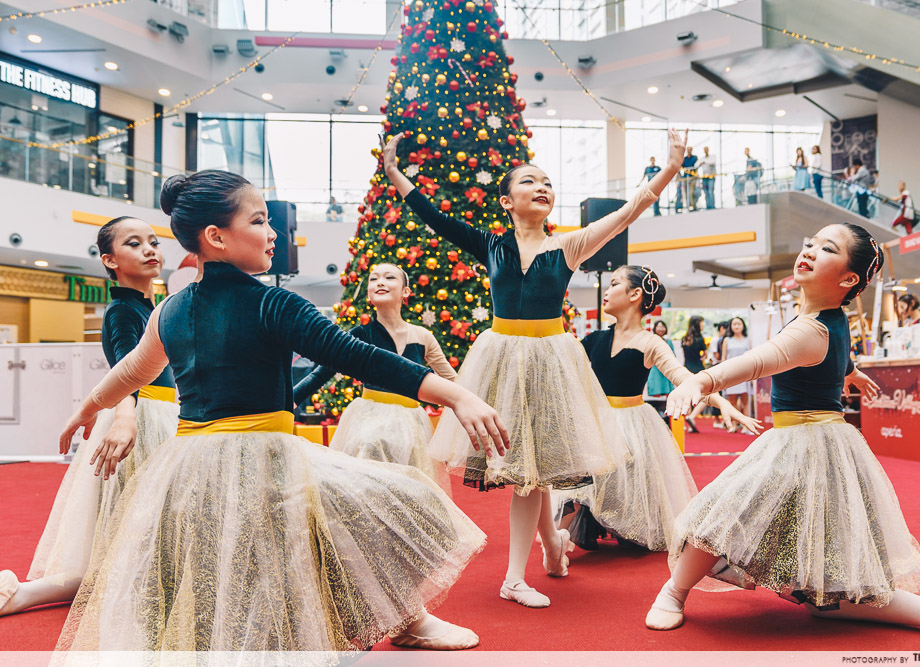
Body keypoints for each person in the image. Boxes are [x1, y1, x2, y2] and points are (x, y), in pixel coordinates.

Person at [54, 170, 511, 652]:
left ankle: (398, 620)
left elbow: (130, 371)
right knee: (401, 508)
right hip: (261, 458)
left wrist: (87, 407)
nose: (273, 233)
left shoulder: (170, 310)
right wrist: (456, 395)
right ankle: (390, 621)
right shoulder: (273, 303)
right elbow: (357, 356)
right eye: (259, 221)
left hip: (187, 467)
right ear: (216, 237)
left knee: (218, 575)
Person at [646, 222, 920, 650]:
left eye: (827, 248)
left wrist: (700, 382)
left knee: (717, 520)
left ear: (848, 279)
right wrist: (850, 372)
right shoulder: (828, 318)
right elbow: (833, 350)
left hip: (798, 446)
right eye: (810, 243)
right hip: (830, 446)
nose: (810, 250)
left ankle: (674, 592)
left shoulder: (809, 329)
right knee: (825, 589)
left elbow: (759, 361)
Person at [384, 128, 688, 609]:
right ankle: (548, 550)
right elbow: (432, 216)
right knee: (530, 472)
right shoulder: (491, 245)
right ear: (507, 201)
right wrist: (394, 173)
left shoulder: (568, 246)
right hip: (503, 359)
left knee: (534, 471)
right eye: (529, 181)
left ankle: (524, 569)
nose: (542, 187)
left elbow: (627, 213)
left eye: (547, 182)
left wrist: (669, 169)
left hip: (551, 362)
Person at [0, 217, 179, 616]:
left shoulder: (148, 307)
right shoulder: (123, 311)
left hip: (158, 412)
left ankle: (22, 595)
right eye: (134, 243)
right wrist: (126, 417)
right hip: (142, 415)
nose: (149, 249)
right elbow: (125, 368)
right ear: (109, 260)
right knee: (136, 518)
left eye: (153, 241)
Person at [554, 266, 759, 552]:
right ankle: (554, 543)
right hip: (598, 422)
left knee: (625, 485)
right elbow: (561, 366)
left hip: (633, 425)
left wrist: (721, 401)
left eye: (614, 284)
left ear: (635, 294)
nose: (607, 291)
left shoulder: (651, 343)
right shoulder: (594, 339)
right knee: (578, 485)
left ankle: (581, 536)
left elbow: (684, 378)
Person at [293, 263, 455, 493]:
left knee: (415, 491)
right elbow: (322, 372)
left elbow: (451, 380)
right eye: (373, 278)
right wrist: (291, 398)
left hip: (412, 424)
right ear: (368, 293)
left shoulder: (422, 336)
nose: (380, 282)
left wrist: (475, 403)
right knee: (368, 484)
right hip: (369, 418)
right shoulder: (359, 335)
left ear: (406, 291)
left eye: (389, 277)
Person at [720, 316, 752, 433]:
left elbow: (752, 356)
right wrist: (723, 374)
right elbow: (723, 358)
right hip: (731, 372)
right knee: (732, 400)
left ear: (743, 326)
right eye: (734, 324)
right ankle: (733, 424)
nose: (737, 326)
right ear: (731, 326)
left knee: (745, 400)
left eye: (739, 324)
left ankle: (746, 425)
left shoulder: (748, 340)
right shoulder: (727, 340)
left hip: (745, 372)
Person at [680, 315, 707, 432]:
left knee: (688, 396)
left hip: (686, 368)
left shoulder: (685, 338)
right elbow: (704, 355)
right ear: (697, 324)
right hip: (698, 369)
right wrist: (701, 357)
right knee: (706, 396)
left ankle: (690, 423)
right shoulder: (700, 339)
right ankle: (692, 417)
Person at [645, 320, 675, 396]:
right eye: (659, 327)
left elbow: (673, 355)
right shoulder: (651, 340)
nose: (661, 329)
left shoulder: (668, 341)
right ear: (655, 328)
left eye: (663, 327)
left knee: (668, 392)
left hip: (666, 368)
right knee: (656, 391)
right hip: (655, 367)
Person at [678, 147, 699, 212]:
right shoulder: (684, 159)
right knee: (686, 193)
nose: (689, 151)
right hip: (685, 178)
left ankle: (693, 206)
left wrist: (695, 174)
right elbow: (679, 166)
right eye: (688, 150)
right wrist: (680, 175)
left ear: (691, 150)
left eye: (690, 150)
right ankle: (689, 206)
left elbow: (696, 166)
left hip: (692, 177)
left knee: (691, 192)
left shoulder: (695, 158)